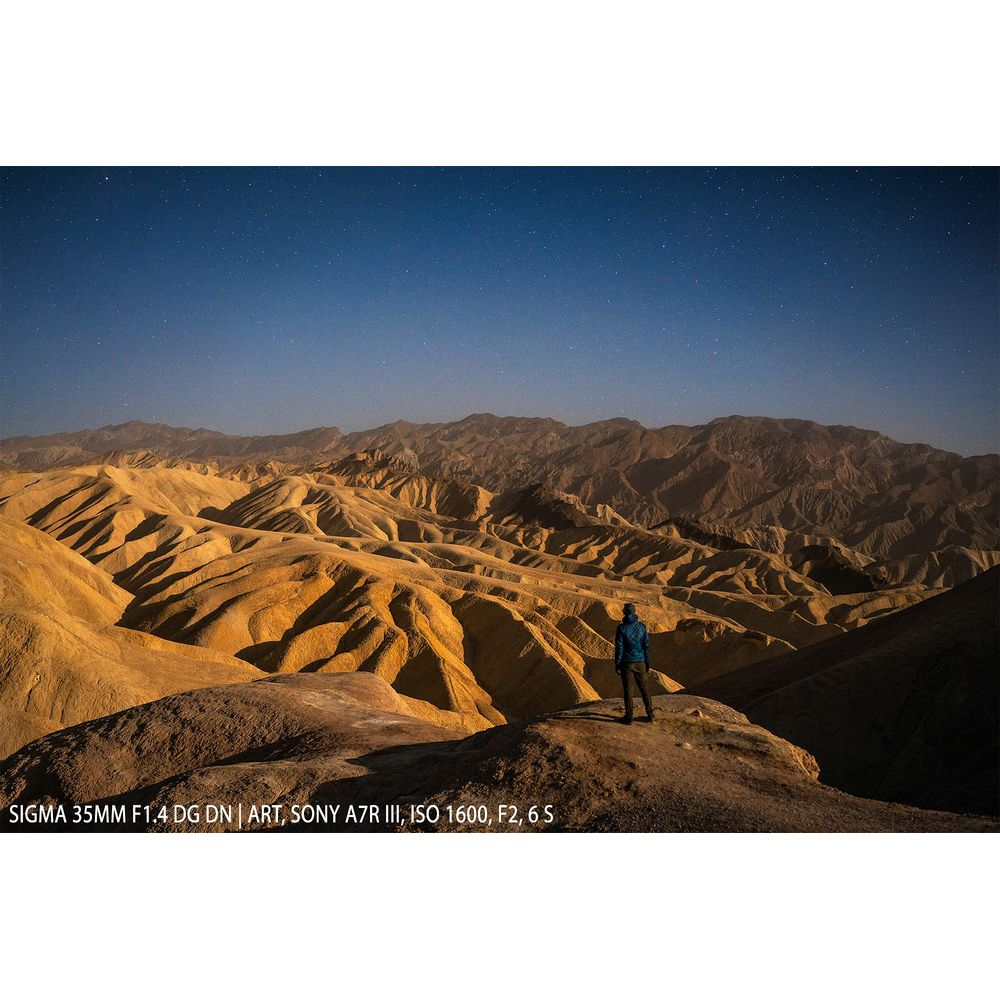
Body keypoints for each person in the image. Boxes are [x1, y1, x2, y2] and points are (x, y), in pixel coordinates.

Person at [614, 603, 655, 724]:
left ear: (624, 612)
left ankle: (629, 717)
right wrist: (647, 661)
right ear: (634, 612)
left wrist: (617, 663)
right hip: (641, 661)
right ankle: (650, 714)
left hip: (627, 663)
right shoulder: (642, 627)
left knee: (628, 690)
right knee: (644, 689)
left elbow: (619, 647)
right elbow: (646, 646)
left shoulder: (621, 628)